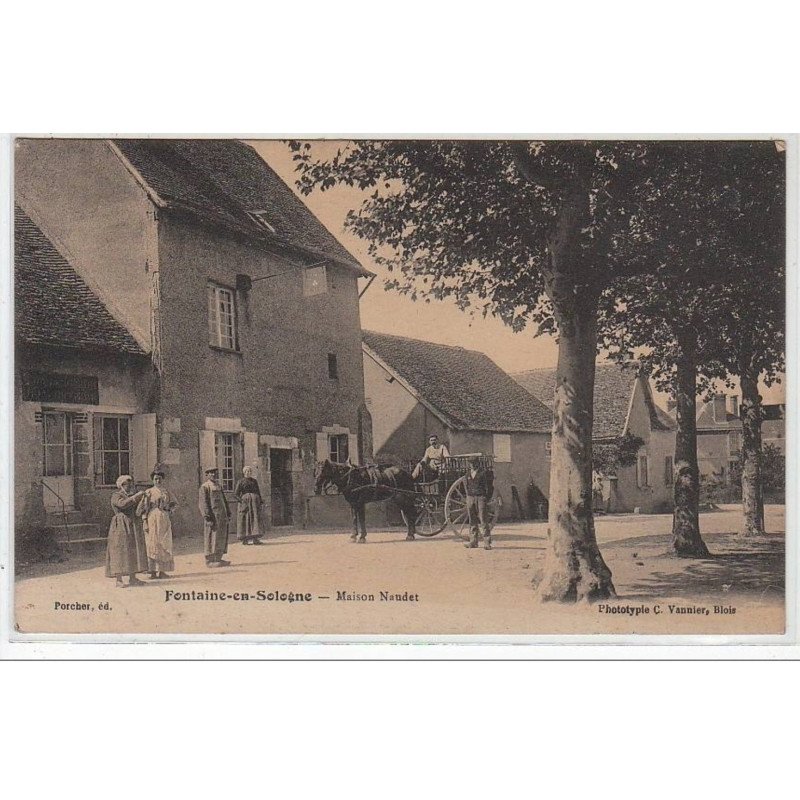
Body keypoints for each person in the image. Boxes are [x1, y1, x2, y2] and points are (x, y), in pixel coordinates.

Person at [105, 475, 148, 588]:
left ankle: (132, 578)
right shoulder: (116, 495)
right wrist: (136, 497)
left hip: (132, 524)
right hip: (120, 525)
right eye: (127, 484)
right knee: (120, 551)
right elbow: (122, 505)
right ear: (121, 485)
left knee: (133, 549)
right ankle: (118, 580)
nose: (130, 486)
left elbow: (138, 510)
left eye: (130, 483)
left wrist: (143, 500)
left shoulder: (131, 495)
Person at [137, 468, 176, 579]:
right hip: (152, 518)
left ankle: (162, 571)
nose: (157, 481)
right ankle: (152, 571)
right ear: (152, 480)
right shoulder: (149, 492)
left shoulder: (166, 492)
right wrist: (145, 521)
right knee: (152, 543)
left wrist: (169, 509)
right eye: (155, 479)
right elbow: (144, 508)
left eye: (159, 479)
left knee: (164, 543)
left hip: (164, 518)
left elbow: (174, 504)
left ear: (162, 480)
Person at [199, 466, 231, 567]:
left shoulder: (218, 486)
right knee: (211, 537)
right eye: (210, 473)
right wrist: (207, 517)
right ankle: (209, 560)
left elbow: (224, 501)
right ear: (207, 475)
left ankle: (218, 558)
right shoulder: (205, 487)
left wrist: (228, 513)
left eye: (214, 473)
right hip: (213, 517)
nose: (213, 474)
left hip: (221, 516)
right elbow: (203, 503)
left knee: (220, 537)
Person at [464, 456, 492, 550]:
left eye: (473, 463)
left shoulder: (483, 473)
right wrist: (468, 497)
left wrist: (485, 498)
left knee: (483, 519)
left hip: (480, 498)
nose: (472, 465)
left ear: (477, 463)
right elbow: (467, 486)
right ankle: (473, 542)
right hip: (470, 497)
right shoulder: (468, 474)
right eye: (470, 463)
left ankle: (487, 542)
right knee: (472, 520)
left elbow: (488, 487)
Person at [234, 466, 265, 545]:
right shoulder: (240, 481)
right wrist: (242, 501)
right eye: (246, 471)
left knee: (255, 520)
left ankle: (255, 539)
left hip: (255, 504)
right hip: (245, 503)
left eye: (249, 471)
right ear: (244, 473)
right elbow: (236, 494)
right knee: (245, 520)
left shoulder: (254, 481)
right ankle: (245, 539)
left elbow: (258, 492)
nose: (248, 473)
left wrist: (260, 501)